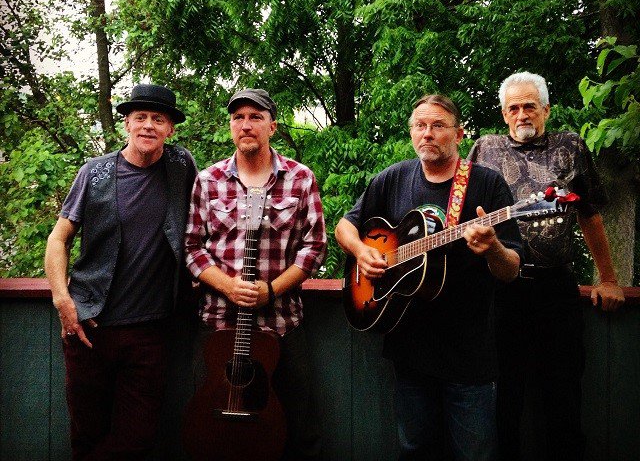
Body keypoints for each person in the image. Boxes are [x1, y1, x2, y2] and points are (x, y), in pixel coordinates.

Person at [335, 94, 523, 460]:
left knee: (476, 453)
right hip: (409, 348)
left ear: (460, 133)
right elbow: (344, 227)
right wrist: (363, 252)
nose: (428, 134)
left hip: (470, 353)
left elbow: (511, 268)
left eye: (438, 126)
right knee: (414, 449)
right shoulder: (393, 178)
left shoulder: (486, 184)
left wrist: (494, 249)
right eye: (420, 126)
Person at [467, 71, 626, 460]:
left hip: (556, 291)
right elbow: (460, 212)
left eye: (530, 106)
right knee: (502, 397)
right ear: (504, 114)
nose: (522, 114)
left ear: (546, 110)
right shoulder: (483, 148)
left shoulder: (570, 147)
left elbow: (590, 215)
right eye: (514, 108)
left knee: (563, 396)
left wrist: (607, 278)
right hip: (499, 292)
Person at [44, 84, 197, 460]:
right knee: (86, 436)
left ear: (170, 129)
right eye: (140, 117)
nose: (148, 125)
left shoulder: (182, 167)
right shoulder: (93, 174)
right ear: (126, 123)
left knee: (136, 441)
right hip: (89, 330)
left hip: (151, 332)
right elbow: (58, 240)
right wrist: (63, 301)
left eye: (158, 119)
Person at [184, 88, 327, 460]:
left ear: (272, 126)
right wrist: (228, 286)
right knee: (212, 433)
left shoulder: (300, 178)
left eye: (255, 117)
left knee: (299, 432)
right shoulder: (207, 180)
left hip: (281, 325)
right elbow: (192, 249)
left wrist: (270, 290)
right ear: (230, 126)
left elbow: (314, 249)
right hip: (218, 327)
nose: (245, 125)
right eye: (238, 118)